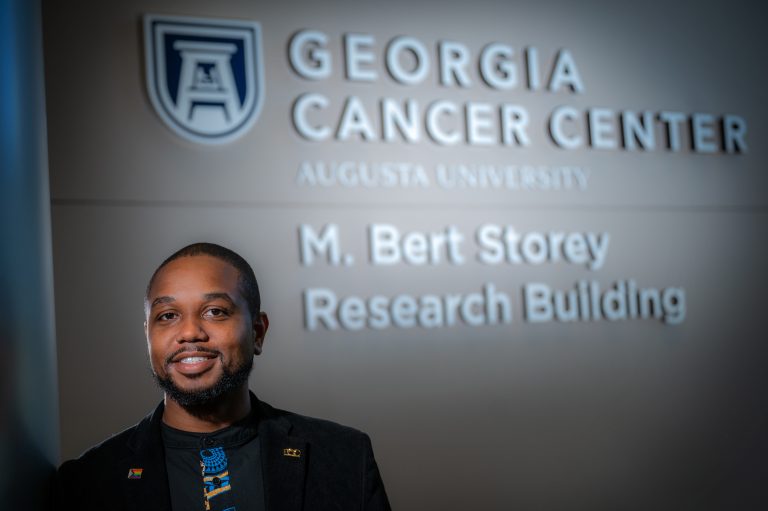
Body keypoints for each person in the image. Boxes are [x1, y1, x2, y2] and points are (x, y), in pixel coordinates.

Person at [55, 242, 391, 510]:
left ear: (257, 332)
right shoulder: (89, 481)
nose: (189, 332)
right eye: (167, 315)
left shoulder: (343, 457)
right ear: (148, 335)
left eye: (215, 312)